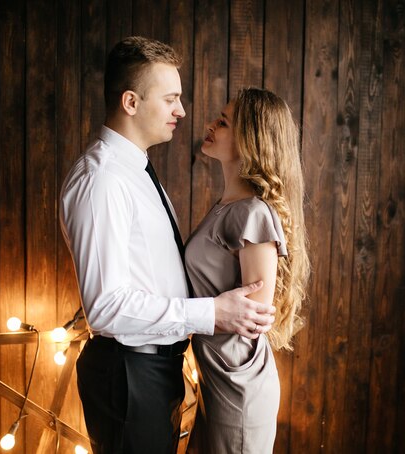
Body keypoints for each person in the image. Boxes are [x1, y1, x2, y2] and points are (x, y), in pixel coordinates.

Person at [59, 37, 276, 454]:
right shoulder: (102, 180)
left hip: (153, 370)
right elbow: (105, 307)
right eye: (171, 98)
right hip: (129, 374)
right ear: (131, 102)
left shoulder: (136, 168)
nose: (182, 110)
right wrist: (211, 313)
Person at [185, 87, 311, 453]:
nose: (210, 125)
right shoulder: (228, 206)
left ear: (250, 140)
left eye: (223, 122)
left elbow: (252, 318)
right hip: (215, 373)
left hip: (236, 381)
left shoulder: (252, 213)